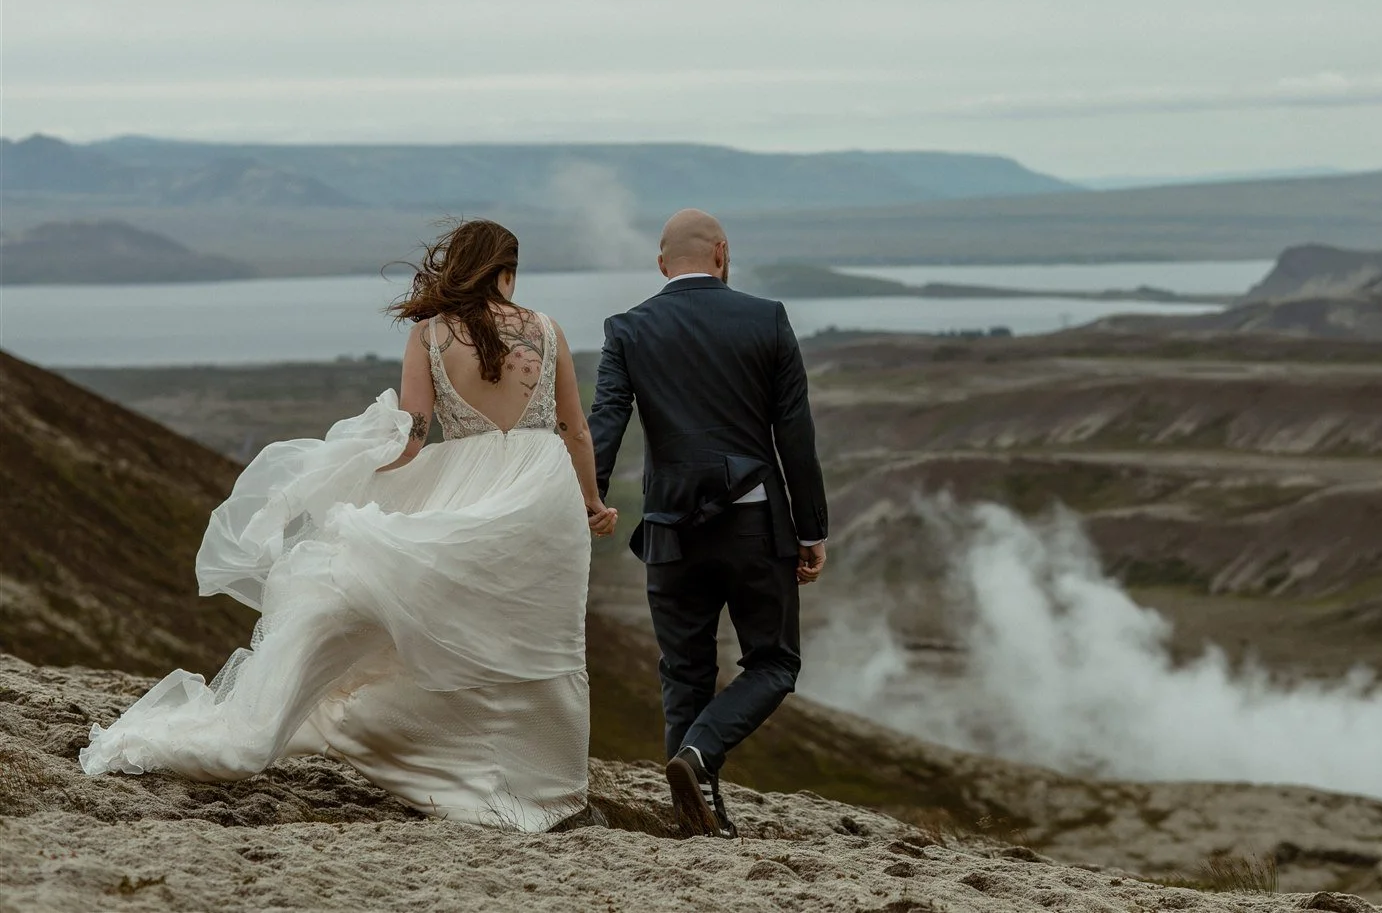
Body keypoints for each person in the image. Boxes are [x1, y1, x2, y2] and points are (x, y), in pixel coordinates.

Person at [79, 220, 619, 832]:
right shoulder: (547, 330)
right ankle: (548, 790)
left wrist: (354, 473)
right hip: (539, 492)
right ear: (507, 270)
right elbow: (574, 429)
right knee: (539, 640)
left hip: (467, 483)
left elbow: (413, 435)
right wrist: (591, 502)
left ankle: (460, 767)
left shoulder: (431, 335)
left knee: (453, 633)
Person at [589, 208, 828, 838]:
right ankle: (698, 760)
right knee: (774, 663)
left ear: (662, 263)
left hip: (669, 527)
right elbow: (794, 436)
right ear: (722, 252)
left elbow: (605, 425)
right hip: (755, 524)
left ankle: (694, 817)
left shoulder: (628, 328)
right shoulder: (766, 319)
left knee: (684, 673)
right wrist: (811, 530)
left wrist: (587, 498)